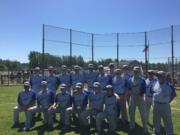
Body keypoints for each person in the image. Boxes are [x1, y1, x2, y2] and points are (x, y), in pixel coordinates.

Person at [153, 71, 174, 135]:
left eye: (160, 76)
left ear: (164, 77)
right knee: (156, 120)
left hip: (164, 105)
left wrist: (166, 102)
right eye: (158, 76)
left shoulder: (169, 85)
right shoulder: (156, 83)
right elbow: (154, 92)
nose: (158, 77)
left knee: (167, 121)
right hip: (156, 104)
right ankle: (157, 132)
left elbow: (173, 95)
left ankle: (169, 133)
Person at [128, 66, 147, 134]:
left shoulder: (142, 80)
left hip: (140, 98)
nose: (136, 72)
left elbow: (144, 90)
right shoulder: (130, 79)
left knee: (143, 114)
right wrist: (131, 93)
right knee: (131, 112)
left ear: (139, 72)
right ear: (133, 71)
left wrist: (140, 94)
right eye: (135, 71)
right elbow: (129, 88)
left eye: (137, 71)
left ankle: (145, 128)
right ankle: (132, 126)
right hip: (133, 97)